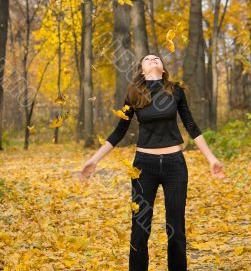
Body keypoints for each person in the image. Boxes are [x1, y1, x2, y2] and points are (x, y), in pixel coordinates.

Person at [79, 54, 225, 271]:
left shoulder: (176, 91)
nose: (153, 60)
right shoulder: (133, 94)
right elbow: (120, 131)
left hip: (175, 165)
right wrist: (94, 159)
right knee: (139, 229)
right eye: (147, 59)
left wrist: (211, 158)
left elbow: (191, 125)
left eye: (157, 58)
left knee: (176, 229)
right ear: (142, 70)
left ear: (163, 69)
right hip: (143, 167)